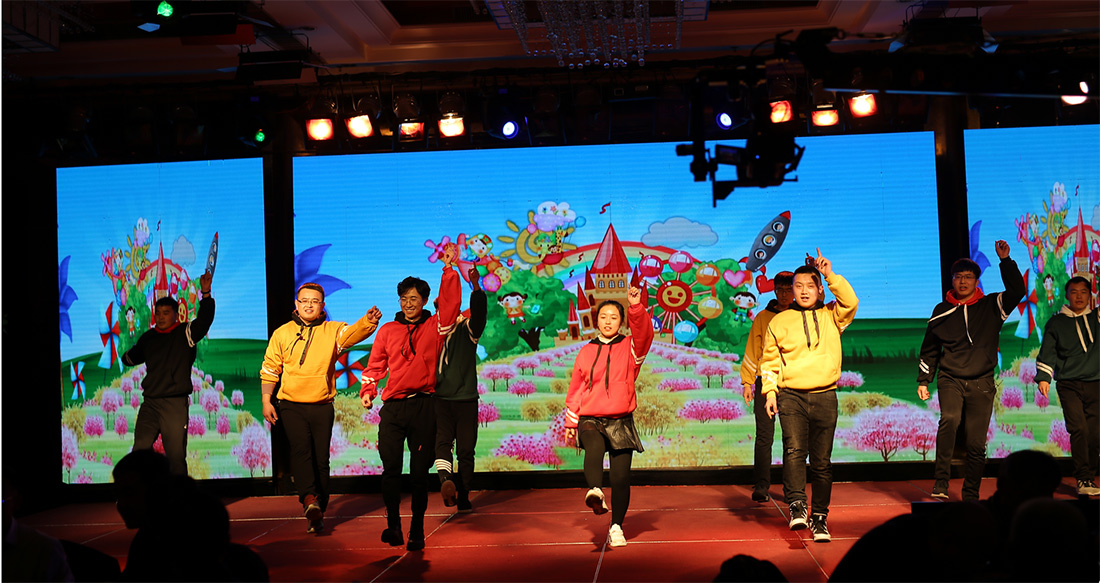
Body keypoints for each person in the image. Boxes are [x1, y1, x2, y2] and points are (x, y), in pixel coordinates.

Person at [260, 284, 381, 534]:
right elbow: (271, 368)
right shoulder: (282, 333)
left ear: (322, 306)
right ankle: (308, 499)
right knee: (301, 451)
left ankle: (318, 507)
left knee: (321, 459)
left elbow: (352, 334)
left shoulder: (332, 331)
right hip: (291, 404)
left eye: (314, 301)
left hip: (322, 405)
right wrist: (266, 400)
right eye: (304, 300)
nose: (309, 305)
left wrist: (368, 322)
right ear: (296, 304)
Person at [360, 261, 460, 552]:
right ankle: (394, 525)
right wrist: (368, 391)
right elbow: (375, 365)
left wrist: (449, 271)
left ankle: (417, 529)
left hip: (424, 407)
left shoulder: (435, 327)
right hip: (393, 409)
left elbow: (451, 305)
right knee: (390, 469)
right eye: (403, 299)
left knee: (418, 473)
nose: (408, 304)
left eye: (414, 298)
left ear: (425, 300)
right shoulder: (388, 330)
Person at [761, 250, 858, 543]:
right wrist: (769, 392)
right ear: (792, 291)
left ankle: (820, 517)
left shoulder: (832, 316)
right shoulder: (779, 321)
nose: (804, 291)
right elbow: (769, 362)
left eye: (810, 286)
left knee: (822, 461)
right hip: (791, 395)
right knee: (794, 450)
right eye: (798, 286)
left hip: (825, 395)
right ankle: (797, 505)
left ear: (819, 289)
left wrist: (829, 274)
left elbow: (850, 302)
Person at [917, 240, 1024, 501]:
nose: (963, 281)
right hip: (951, 378)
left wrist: (1005, 260)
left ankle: (971, 493)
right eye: (958, 277)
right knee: (949, 419)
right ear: (952, 280)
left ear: (976, 280)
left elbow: (1017, 290)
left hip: (982, 381)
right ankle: (941, 482)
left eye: (968, 277)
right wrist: (924, 380)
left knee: (976, 442)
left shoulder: (992, 305)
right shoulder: (941, 311)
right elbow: (930, 348)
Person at [564, 285, 654, 548]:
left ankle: (616, 526)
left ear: (621, 322)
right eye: (603, 317)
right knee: (593, 446)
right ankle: (595, 490)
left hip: (620, 420)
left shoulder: (631, 348)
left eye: (614, 317)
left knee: (620, 478)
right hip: (590, 417)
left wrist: (635, 307)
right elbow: (576, 388)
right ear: (596, 321)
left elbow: (644, 333)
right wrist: (571, 421)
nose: (607, 321)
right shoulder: (586, 351)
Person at [122, 271, 215, 476]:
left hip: (174, 404)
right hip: (150, 404)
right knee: (139, 451)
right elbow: (130, 358)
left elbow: (205, 320)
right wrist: (124, 355)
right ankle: (138, 491)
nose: (161, 317)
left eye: (166, 313)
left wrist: (206, 293)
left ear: (176, 315)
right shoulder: (149, 338)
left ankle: (179, 494)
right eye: (158, 313)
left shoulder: (185, 333)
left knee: (175, 457)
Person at [1035, 276, 1099, 496]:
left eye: (1083, 292)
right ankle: (1083, 478)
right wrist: (1044, 377)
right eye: (1074, 292)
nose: (1079, 296)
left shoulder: (1097, 318)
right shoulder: (1056, 323)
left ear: (1090, 295)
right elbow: (1048, 352)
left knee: (1095, 434)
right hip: (1069, 384)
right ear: (1066, 295)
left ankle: (1089, 475)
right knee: (1078, 428)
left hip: (1096, 383)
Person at [433, 267, 487, 513]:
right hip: (440, 399)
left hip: (465, 399)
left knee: (465, 450)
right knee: (443, 443)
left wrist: (475, 286)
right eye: (439, 306)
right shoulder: (433, 331)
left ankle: (462, 493)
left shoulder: (467, 329)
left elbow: (480, 315)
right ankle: (447, 483)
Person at [739, 271, 795, 503]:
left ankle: (792, 489)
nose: (784, 294)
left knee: (793, 439)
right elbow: (753, 349)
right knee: (764, 436)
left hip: (793, 383)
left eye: (788, 290)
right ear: (774, 290)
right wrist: (747, 381)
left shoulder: (800, 315)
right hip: (765, 381)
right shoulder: (763, 317)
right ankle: (762, 485)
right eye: (780, 290)